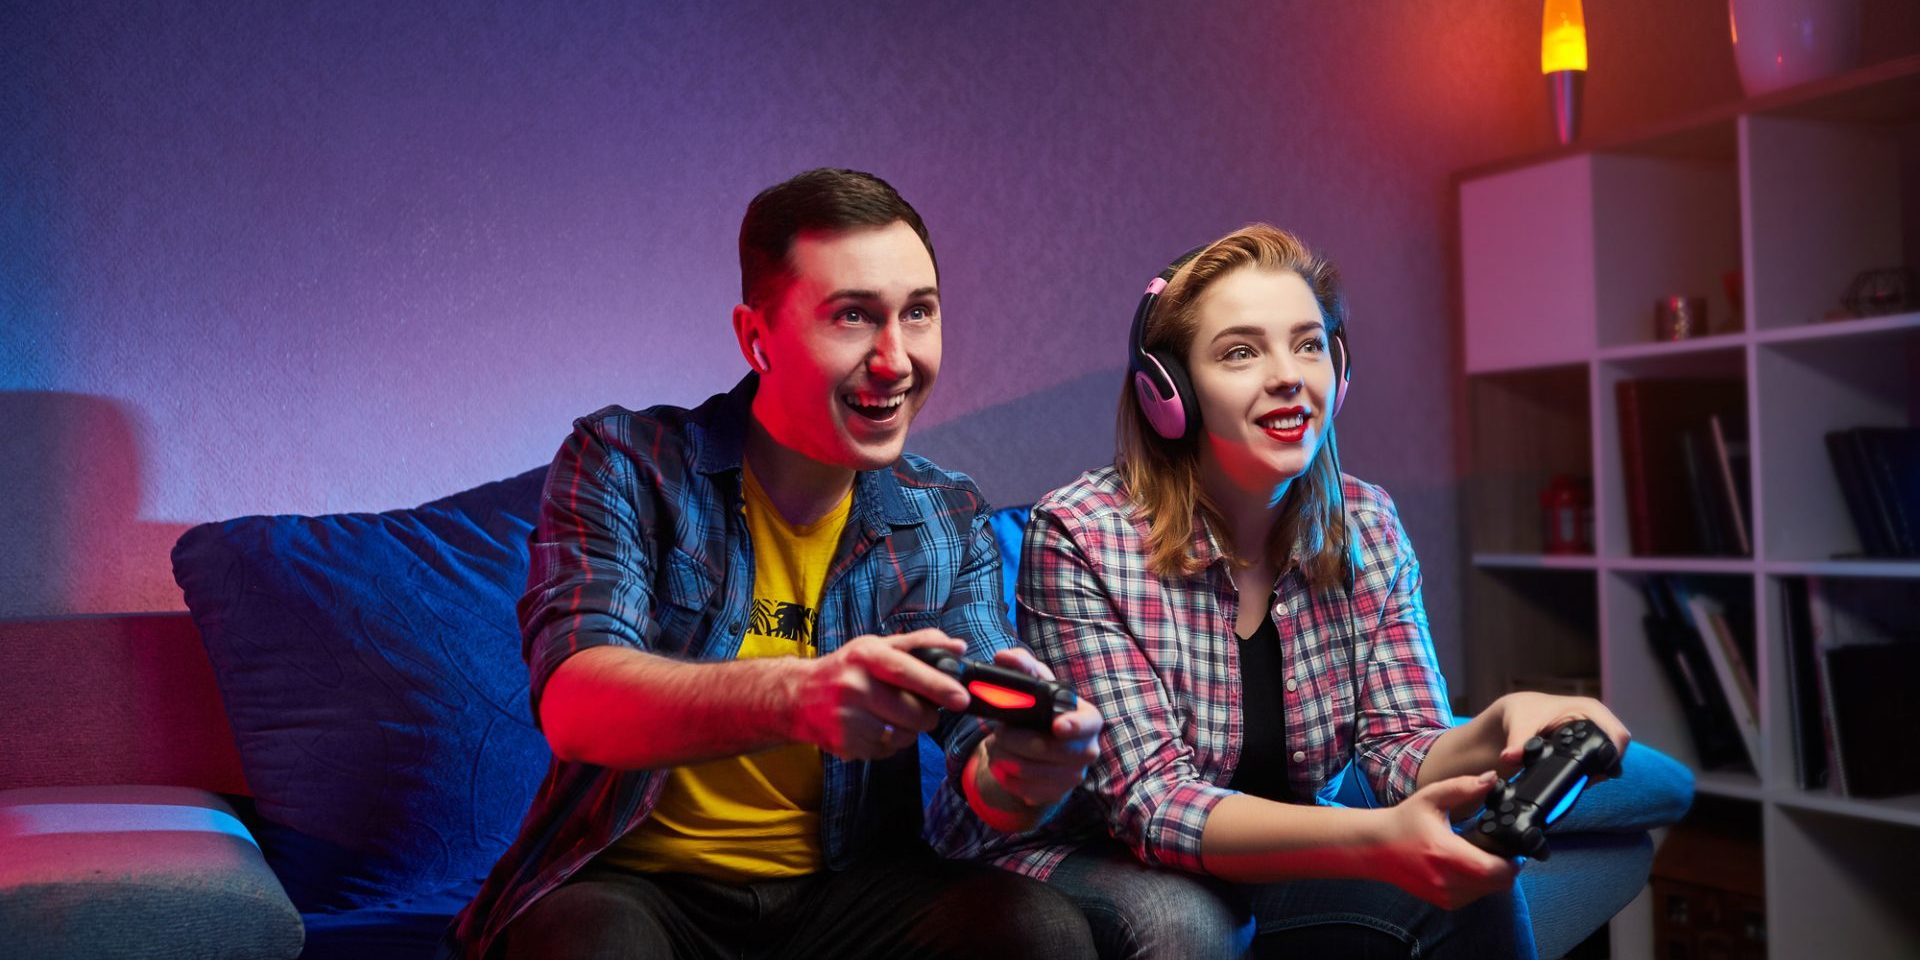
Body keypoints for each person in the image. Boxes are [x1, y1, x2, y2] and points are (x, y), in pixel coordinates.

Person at [449, 168, 1104, 960]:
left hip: (850, 895)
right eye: (854, 317)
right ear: (757, 337)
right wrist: (799, 696)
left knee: (1039, 932)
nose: (895, 359)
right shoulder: (626, 461)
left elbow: (983, 765)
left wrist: (1027, 775)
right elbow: (577, 702)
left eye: (919, 313)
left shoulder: (943, 513)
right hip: (637, 887)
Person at [932, 224, 1631, 959]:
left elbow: (1400, 744)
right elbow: (1153, 803)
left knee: (1481, 893)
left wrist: (1502, 726)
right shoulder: (1081, 534)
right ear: (1168, 394)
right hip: (1084, 852)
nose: (1289, 374)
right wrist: (1373, 840)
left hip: (1272, 848)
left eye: (1308, 344)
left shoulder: (1367, 522)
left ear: (1340, 368)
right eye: (1241, 352)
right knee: (1187, 925)